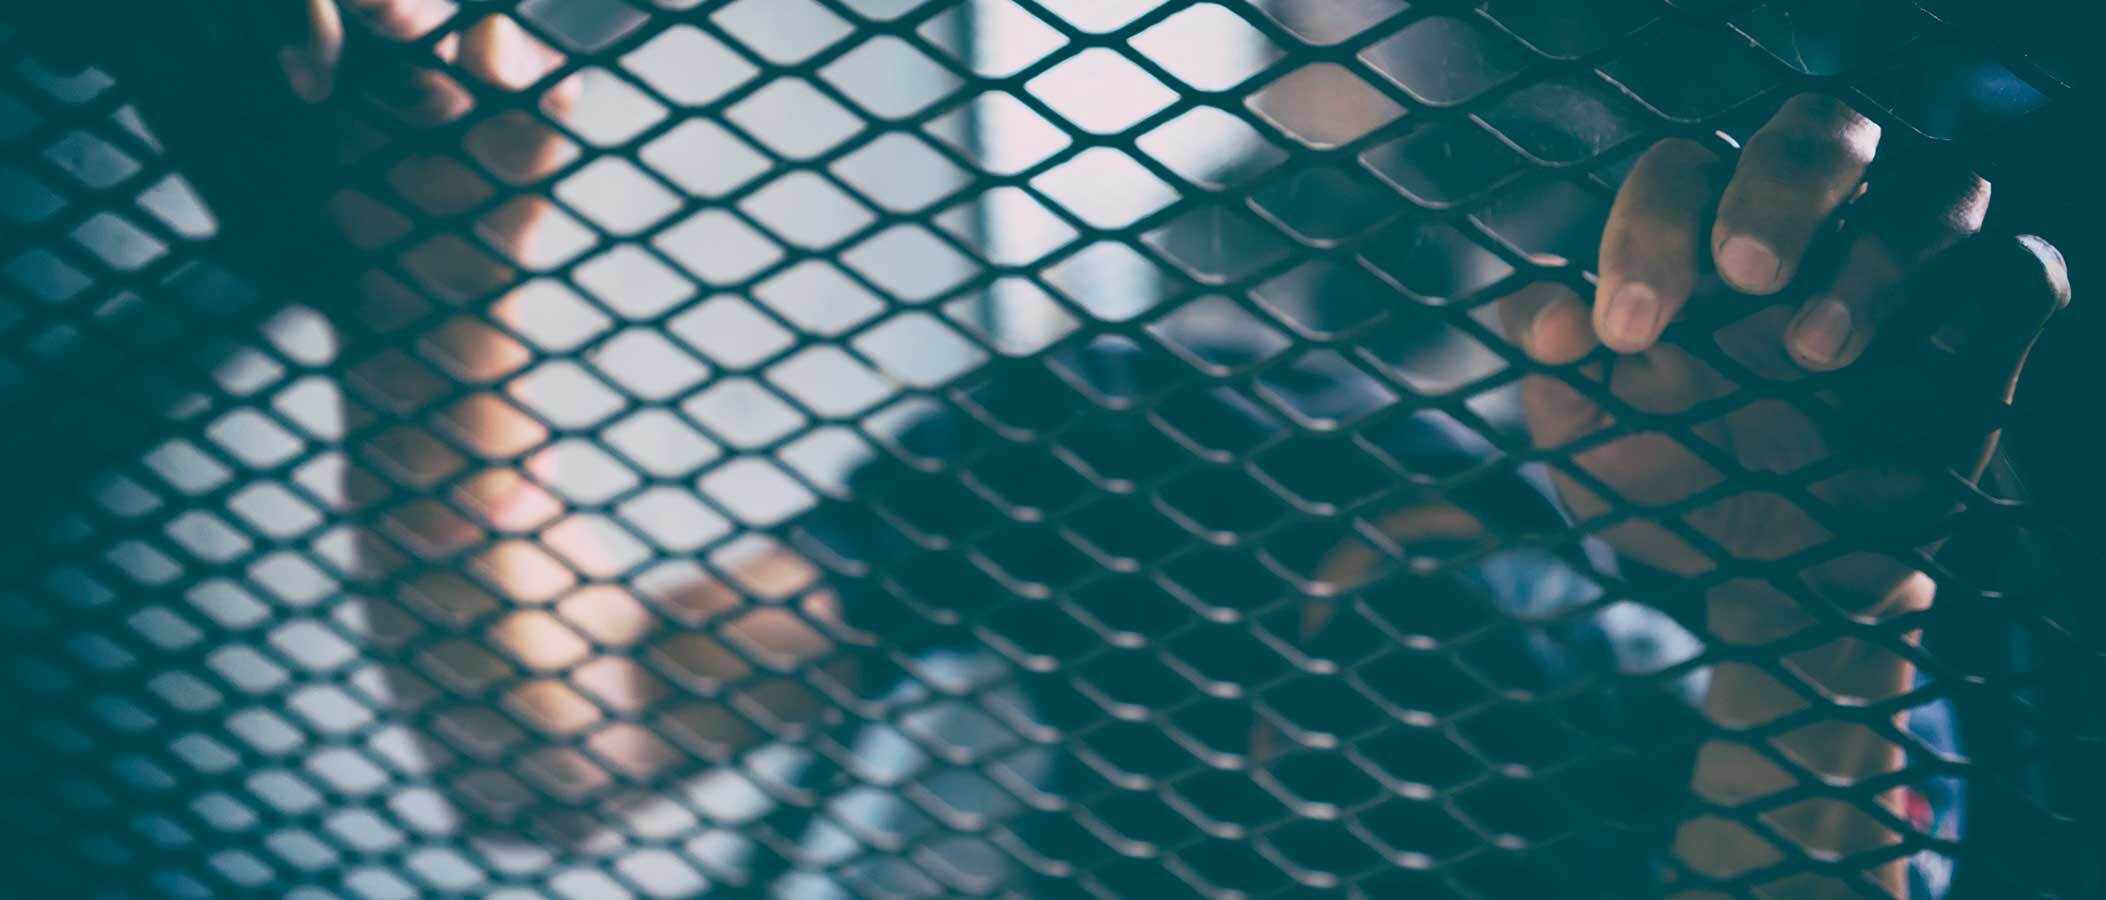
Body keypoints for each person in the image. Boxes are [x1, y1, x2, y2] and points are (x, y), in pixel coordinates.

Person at [2, 1, 2075, 897]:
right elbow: (562, 750)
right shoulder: (1106, 433)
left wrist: (1819, 604)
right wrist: (439, 304)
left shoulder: (1769, 677)